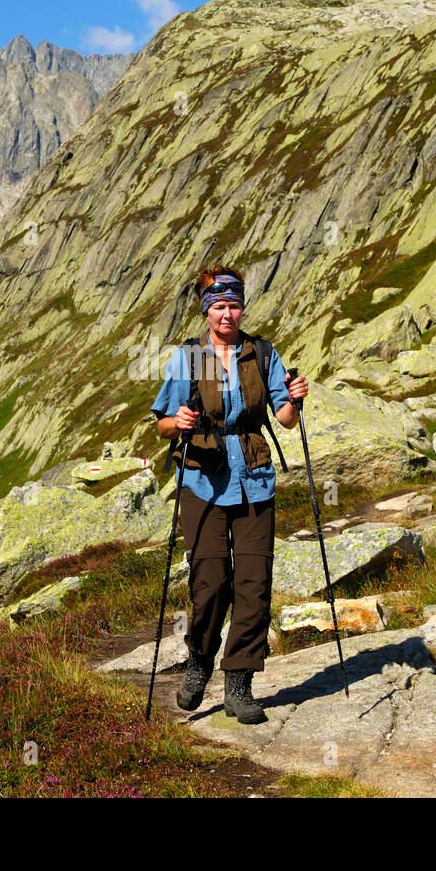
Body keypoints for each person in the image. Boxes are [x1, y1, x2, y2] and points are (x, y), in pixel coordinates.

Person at [151, 265, 308, 724]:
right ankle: (200, 660)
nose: (227, 314)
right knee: (212, 583)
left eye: (234, 305)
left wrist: (294, 398)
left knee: (255, 585)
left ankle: (240, 682)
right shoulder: (190, 358)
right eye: (218, 306)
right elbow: (161, 422)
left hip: (255, 477)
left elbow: (283, 419)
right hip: (203, 479)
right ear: (206, 311)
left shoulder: (261, 352)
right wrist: (176, 423)